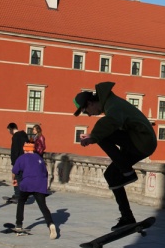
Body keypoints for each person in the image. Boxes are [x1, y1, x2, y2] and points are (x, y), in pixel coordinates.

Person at [73, 82, 157, 230]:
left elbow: (111, 122)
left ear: (91, 103)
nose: (89, 115)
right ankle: (127, 217)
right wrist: (94, 136)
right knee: (110, 175)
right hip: (136, 141)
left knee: (102, 134)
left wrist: (94, 137)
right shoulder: (110, 106)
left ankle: (127, 171)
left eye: (87, 111)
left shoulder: (113, 105)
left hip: (142, 141)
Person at [12, 143, 57, 239]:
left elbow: (14, 171)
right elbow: (45, 173)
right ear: (33, 150)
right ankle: (51, 224)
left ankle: (19, 224)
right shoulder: (39, 158)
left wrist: (14, 179)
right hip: (39, 184)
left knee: (21, 202)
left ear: (25, 150)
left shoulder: (22, 157)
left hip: (27, 183)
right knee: (43, 206)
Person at [7, 122, 29, 202]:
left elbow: (15, 151)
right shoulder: (24, 135)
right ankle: (21, 195)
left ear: (11, 129)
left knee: (16, 178)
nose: (9, 132)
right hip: (25, 160)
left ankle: (18, 195)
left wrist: (14, 163)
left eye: (9, 130)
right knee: (22, 178)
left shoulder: (15, 137)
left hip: (18, 161)